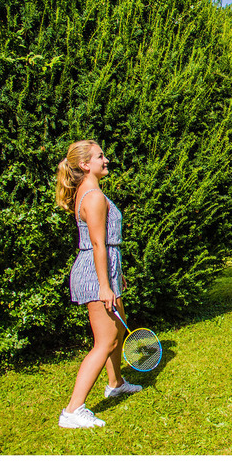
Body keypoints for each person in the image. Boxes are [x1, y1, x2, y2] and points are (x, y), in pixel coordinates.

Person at [55, 140, 142, 428]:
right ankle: (72, 410)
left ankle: (115, 383)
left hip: (105, 270)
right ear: (85, 165)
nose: (106, 160)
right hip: (95, 274)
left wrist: (116, 276)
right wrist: (105, 285)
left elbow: (106, 245)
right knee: (104, 342)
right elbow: (97, 244)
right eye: (100, 156)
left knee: (117, 330)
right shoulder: (92, 196)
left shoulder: (92, 192)